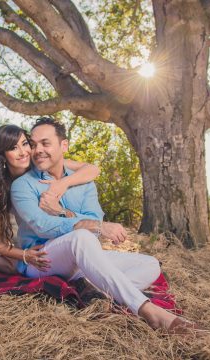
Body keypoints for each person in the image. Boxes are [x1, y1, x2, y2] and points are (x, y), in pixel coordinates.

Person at [10, 117, 200, 334]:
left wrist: (64, 212)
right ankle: (150, 312)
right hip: (41, 260)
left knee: (150, 264)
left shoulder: (83, 182)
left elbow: (94, 217)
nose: (37, 150)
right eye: (33, 144)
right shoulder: (22, 185)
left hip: (81, 261)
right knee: (81, 237)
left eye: (45, 143)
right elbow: (43, 226)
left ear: (64, 146)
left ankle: (97, 297)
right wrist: (93, 226)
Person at [0, 124, 100, 275]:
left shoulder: (40, 162)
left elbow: (93, 169)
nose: (23, 153)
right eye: (13, 148)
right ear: (2, 155)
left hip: (21, 218)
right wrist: (25, 255)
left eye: (25, 144)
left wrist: (63, 183)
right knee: (12, 269)